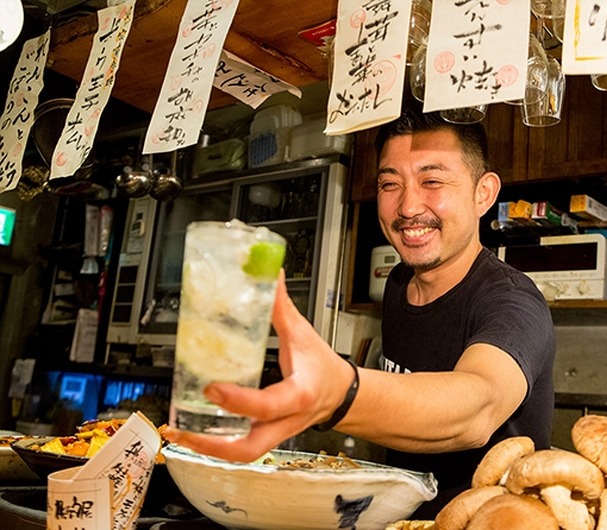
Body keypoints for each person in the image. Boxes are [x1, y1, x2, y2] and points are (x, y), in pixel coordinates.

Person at [164, 105, 556, 518]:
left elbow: (478, 407)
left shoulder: (514, 301)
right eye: (390, 185)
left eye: (433, 181)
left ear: (484, 193)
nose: (407, 207)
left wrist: (337, 394)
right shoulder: (399, 283)